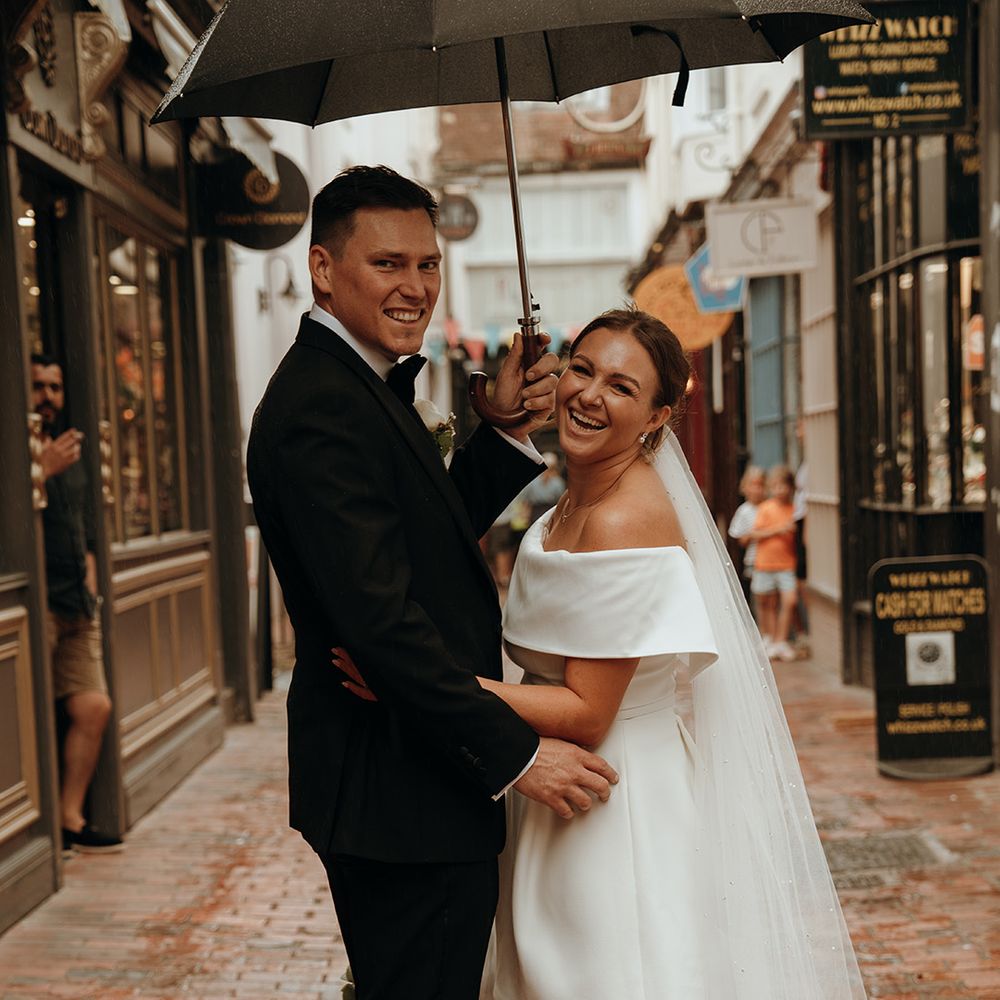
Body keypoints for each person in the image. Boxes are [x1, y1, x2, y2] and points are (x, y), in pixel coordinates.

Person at [341, 308, 866, 999]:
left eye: (621, 387)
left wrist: (412, 679)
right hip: (553, 788)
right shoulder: (570, 504)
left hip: (610, 800)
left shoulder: (624, 519)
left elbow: (588, 712)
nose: (589, 395)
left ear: (656, 417)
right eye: (582, 370)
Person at [245, 165, 617, 1000]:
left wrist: (501, 430)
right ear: (322, 268)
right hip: (400, 791)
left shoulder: (355, 384)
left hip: (413, 785)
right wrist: (519, 756)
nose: (414, 286)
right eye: (388, 264)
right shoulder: (321, 406)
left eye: (428, 264)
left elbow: (420, 541)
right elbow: (382, 623)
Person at [31, 354, 123, 855]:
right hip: (36, 605)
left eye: (55, 387)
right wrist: (38, 471)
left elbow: (85, 530)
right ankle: (41, 828)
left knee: (93, 706)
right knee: (32, 717)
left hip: (76, 602)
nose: (47, 397)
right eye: (37, 387)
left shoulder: (72, 452)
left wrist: (91, 584)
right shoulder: (21, 452)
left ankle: (70, 817)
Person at [750, 464, 799, 661]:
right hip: (765, 563)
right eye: (776, 486)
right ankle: (770, 639)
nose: (780, 490)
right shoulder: (766, 508)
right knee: (767, 602)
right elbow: (754, 534)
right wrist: (778, 530)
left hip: (787, 563)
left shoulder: (794, 510)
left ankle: (781, 640)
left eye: (783, 486)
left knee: (790, 601)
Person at [728, 463, 765, 609]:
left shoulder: (768, 507)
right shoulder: (743, 511)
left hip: (773, 558)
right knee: (758, 597)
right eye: (753, 485)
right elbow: (740, 540)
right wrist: (756, 534)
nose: (756, 490)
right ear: (745, 487)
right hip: (754, 559)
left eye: (760, 485)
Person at [522, 450, 566, 525]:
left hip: (551, 513)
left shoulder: (558, 482)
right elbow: (526, 501)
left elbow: (560, 503)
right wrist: (525, 515)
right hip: (535, 513)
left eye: (551, 467)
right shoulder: (532, 482)